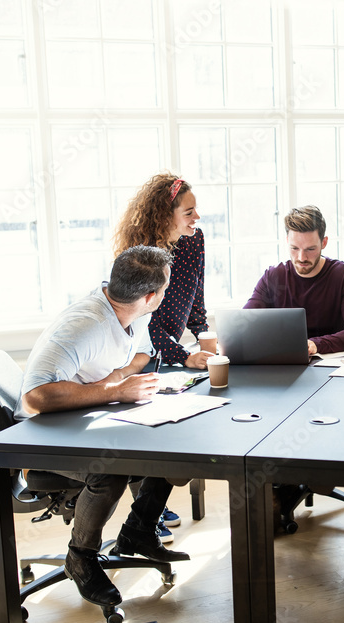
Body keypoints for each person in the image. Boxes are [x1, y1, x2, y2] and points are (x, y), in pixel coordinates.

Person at [18, 245, 188, 609]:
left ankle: (138, 533)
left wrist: (120, 379)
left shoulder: (131, 308)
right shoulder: (85, 325)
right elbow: (35, 397)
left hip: (92, 417)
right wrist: (112, 391)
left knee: (168, 445)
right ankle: (80, 557)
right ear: (151, 296)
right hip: (42, 434)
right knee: (107, 472)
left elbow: (141, 353)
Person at [112, 172, 213, 541]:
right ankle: (145, 515)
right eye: (188, 211)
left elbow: (196, 297)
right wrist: (183, 355)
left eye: (196, 209)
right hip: (142, 350)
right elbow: (141, 318)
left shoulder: (194, 240)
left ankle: (147, 509)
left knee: (174, 426)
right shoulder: (139, 254)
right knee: (152, 429)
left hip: (174, 350)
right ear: (164, 215)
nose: (196, 217)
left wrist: (204, 341)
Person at [244, 205, 344, 355]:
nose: (301, 258)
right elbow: (245, 324)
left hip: (333, 367)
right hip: (284, 366)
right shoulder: (273, 277)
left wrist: (316, 344)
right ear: (287, 241)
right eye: (294, 248)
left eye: (310, 249)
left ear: (324, 243)